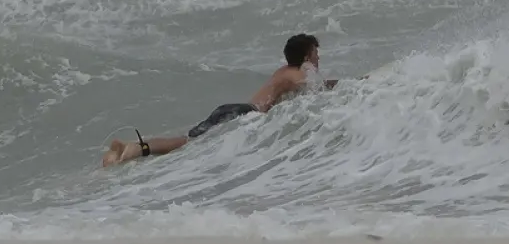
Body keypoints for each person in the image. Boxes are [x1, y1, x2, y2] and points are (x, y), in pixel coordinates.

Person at [101, 33, 356, 167]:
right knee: (187, 144)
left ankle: (133, 148)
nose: (319, 58)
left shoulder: (283, 72)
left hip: (234, 109)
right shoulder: (299, 73)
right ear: (307, 56)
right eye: (316, 52)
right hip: (244, 114)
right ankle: (131, 150)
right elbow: (317, 89)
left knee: (186, 142)